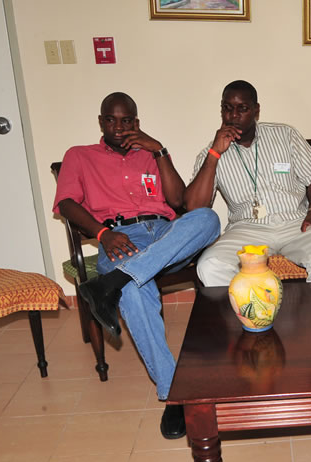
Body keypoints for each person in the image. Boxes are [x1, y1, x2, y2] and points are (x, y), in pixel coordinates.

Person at [54, 92, 220, 439]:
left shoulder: (150, 153)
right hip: (118, 237)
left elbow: (178, 202)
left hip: (165, 232)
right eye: (111, 120)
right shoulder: (79, 156)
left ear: (136, 122)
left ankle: (110, 283)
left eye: (127, 120)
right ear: (101, 122)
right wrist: (101, 234)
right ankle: (174, 394)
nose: (119, 127)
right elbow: (67, 202)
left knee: (207, 218)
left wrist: (159, 150)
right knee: (134, 292)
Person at [186, 80, 311, 286]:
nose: (234, 115)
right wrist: (214, 154)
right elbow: (193, 207)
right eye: (227, 108)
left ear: (256, 110)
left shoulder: (285, 134)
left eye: (242, 108)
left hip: (295, 224)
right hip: (246, 229)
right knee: (209, 264)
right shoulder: (212, 152)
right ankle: (245, 316)